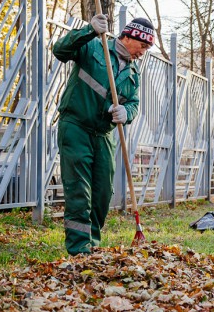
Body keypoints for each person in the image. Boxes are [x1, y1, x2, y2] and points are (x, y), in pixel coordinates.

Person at [52, 15, 154, 255]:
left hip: (103, 135)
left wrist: (125, 112)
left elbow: (134, 103)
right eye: (143, 46)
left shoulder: (133, 72)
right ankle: (79, 249)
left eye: (147, 49)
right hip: (76, 125)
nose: (143, 52)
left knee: (102, 193)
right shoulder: (94, 46)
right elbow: (60, 50)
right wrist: (88, 30)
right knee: (79, 189)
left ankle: (92, 243)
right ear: (129, 37)